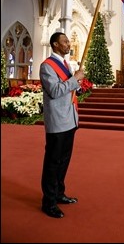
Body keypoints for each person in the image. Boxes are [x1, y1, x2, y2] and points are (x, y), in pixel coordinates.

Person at [39, 32, 85, 218]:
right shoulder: (47, 66)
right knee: (53, 162)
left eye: (68, 41)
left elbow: (69, 88)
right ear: (55, 45)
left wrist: (77, 81)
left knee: (64, 161)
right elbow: (56, 90)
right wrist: (75, 79)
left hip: (69, 119)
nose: (69, 44)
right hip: (58, 121)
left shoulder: (65, 65)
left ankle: (58, 193)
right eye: (65, 41)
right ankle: (48, 202)